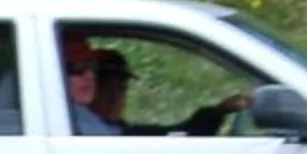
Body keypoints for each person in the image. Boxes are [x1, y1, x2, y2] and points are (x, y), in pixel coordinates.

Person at [95, 49, 250, 138]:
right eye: (106, 90)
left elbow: (179, 135)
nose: (115, 99)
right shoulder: (92, 135)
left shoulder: (117, 131)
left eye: (122, 90)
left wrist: (219, 111)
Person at [63, 39, 123, 136]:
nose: (90, 75)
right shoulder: (68, 117)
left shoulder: (82, 116)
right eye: (78, 68)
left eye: (93, 66)